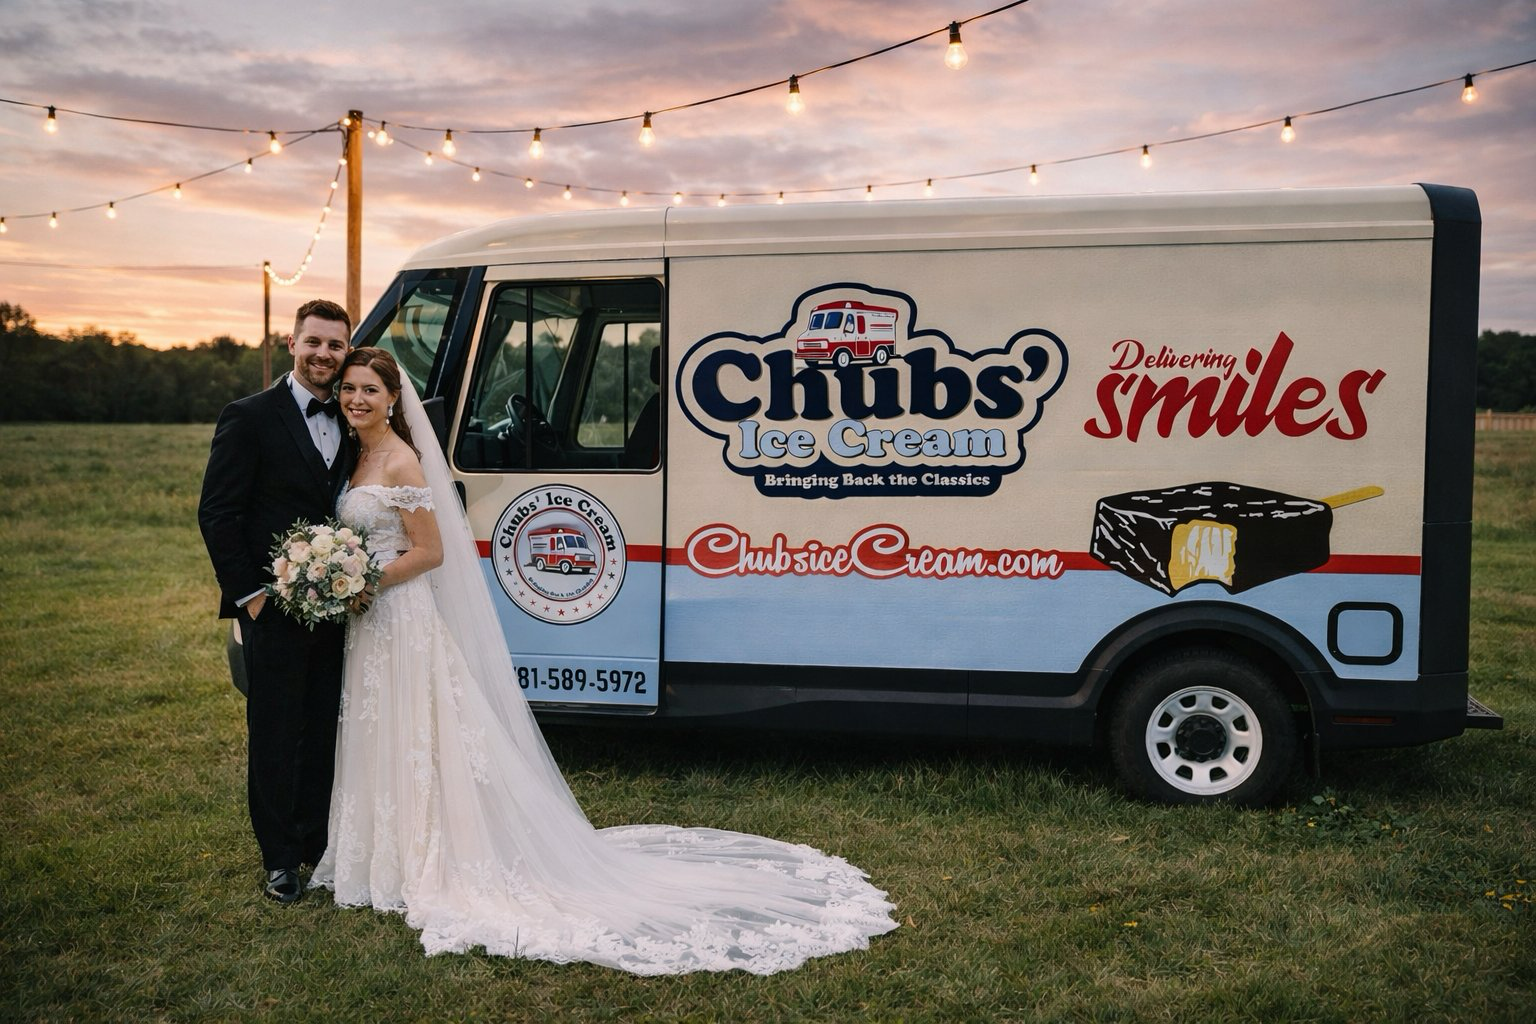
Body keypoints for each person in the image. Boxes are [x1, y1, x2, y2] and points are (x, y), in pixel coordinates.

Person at [311, 347, 898, 974]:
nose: (357, 399)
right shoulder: (357, 455)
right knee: (384, 727)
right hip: (370, 622)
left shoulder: (402, 459)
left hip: (399, 615)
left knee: (419, 730)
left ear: (393, 398)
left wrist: (365, 581)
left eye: (370, 389)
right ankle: (382, 855)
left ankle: (426, 855)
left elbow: (430, 552)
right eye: (350, 389)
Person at [197, 299, 354, 904]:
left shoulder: (353, 414)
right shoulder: (248, 417)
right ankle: (280, 860)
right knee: (275, 733)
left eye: (335, 345)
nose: (323, 354)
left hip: (341, 606)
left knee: (325, 727)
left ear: (346, 351)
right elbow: (218, 512)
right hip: (274, 607)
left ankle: (317, 842)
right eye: (313, 342)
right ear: (292, 344)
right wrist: (252, 598)